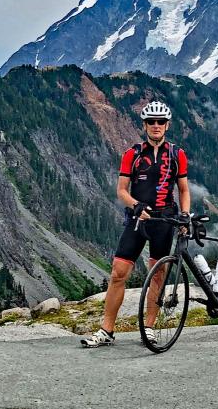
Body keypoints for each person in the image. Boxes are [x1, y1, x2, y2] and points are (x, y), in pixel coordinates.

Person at [80, 100, 191, 348]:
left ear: (167, 125)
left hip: (164, 220)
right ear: (144, 125)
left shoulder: (177, 154)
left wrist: (185, 214)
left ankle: (149, 328)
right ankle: (106, 330)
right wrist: (135, 205)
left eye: (160, 122)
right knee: (118, 272)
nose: (155, 126)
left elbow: (183, 189)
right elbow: (121, 190)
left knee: (158, 275)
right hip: (137, 220)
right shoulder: (132, 154)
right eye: (151, 121)